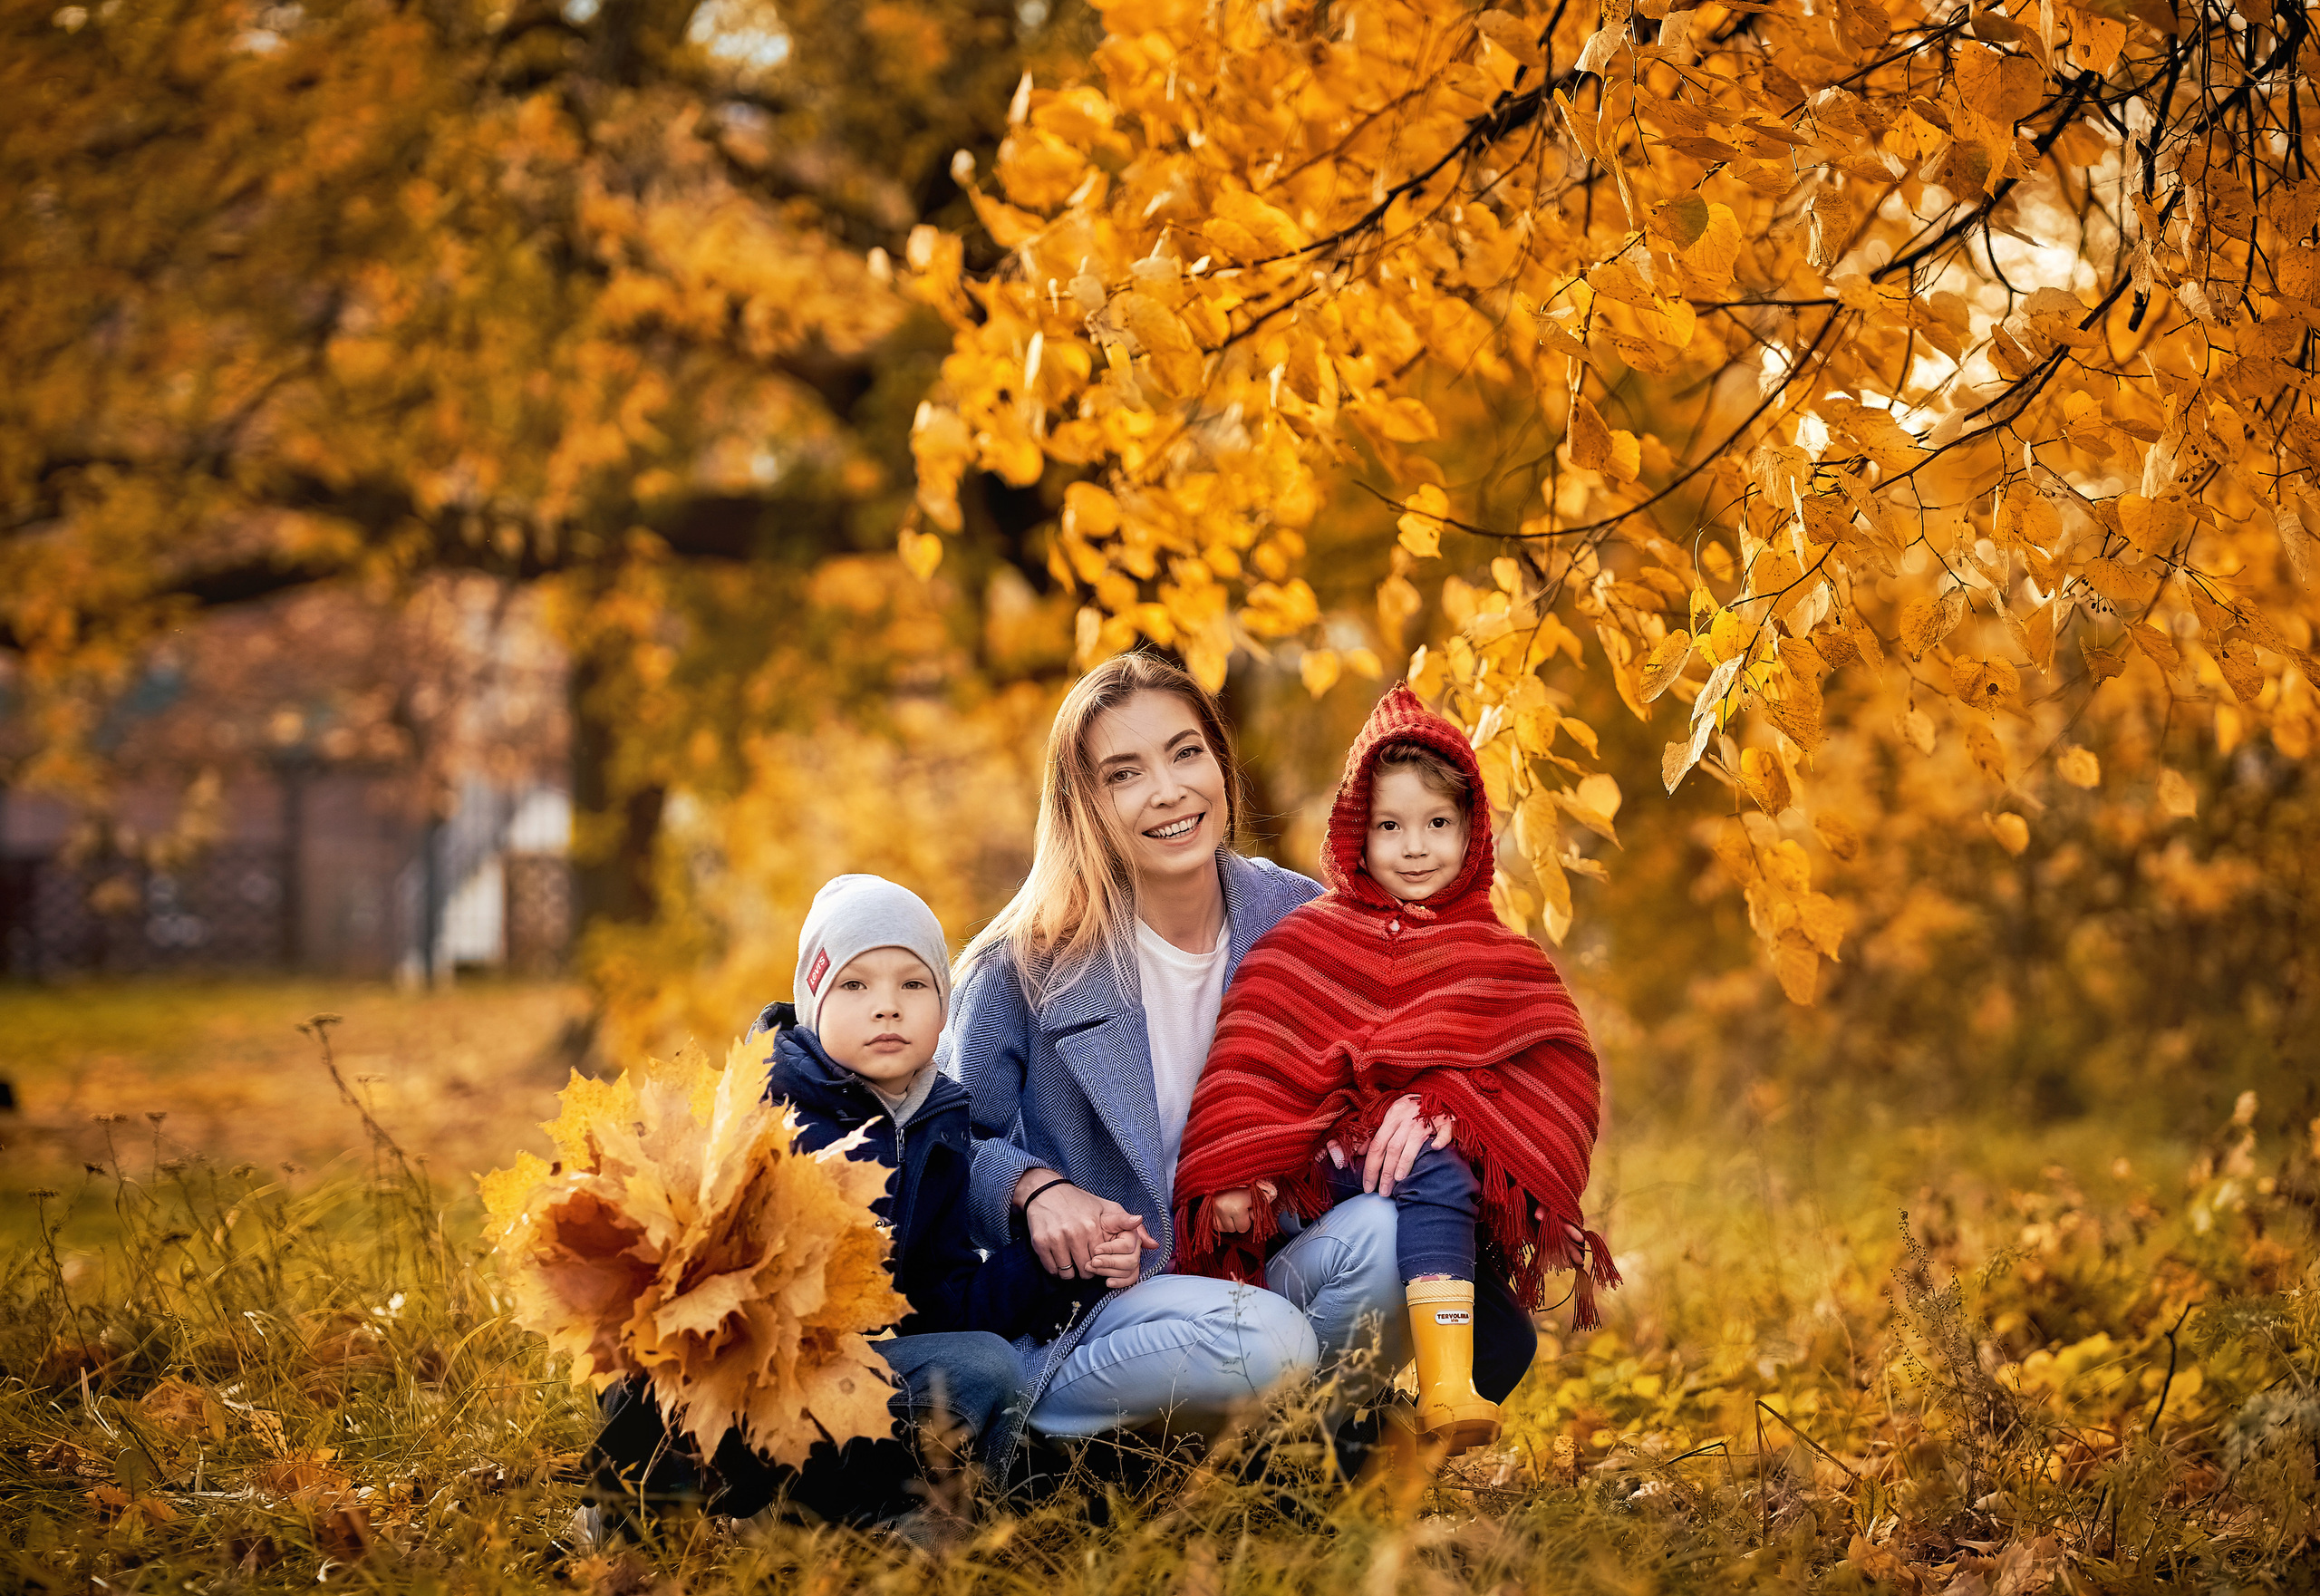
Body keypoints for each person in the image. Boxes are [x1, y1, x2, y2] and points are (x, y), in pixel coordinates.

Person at [940, 652, 1445, 1468]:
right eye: (1124, 773)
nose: (1169, 790)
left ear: (1219, 761)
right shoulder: (1023, 962)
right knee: (1270, 1341)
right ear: (1084, 807)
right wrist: (1036, 1190)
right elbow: (945, 1145)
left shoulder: (1299, 917)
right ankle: (1055, 1452)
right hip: (1102, 1309)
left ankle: (1290, 1469)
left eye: (1185, 752)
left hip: (1256, 1268)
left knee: (1391, 1235)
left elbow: (1419, 1042)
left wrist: (1427, 1101)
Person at [1169, 682, 1618, 1455]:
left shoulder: (1501, 958)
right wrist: (1246, 1169)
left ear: (1473, 833)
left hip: (1432, 1200)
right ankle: (1403, 1407)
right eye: (1390, 826)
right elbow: (1252, 1062)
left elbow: (1557, 1071)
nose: (1415, 847)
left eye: (1438, 824)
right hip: (1315, 1196)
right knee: (1432, 1177)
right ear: (1357, 834)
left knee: (1506, 1337)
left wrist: (1452, 1103)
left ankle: (1403, 1434)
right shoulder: (1304, 943)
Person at [589, 875, 1101, 1529]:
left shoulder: (939, 1123)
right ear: (813, 999)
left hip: (847, 1380)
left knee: (986, 1366)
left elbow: (937, 1298)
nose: (887, 1006)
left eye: (913, 984)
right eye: (854, 985)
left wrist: (1048, 1268)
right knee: (659, 1373)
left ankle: (901, 1511)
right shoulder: (768, 1109)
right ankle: (634, 1510)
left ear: (944, 1007)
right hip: (738, 1371)